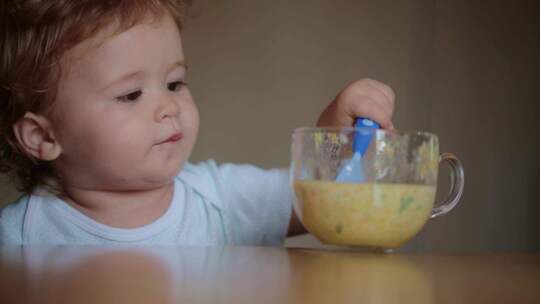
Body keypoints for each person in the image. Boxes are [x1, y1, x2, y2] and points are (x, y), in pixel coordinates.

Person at [0, 0, 395, 245]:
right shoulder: (18, 239)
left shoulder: (219, 200)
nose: (168, 107)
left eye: (174, 83)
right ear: (43, 136)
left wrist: (335, 139)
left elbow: (317, 200)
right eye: (131, 94)